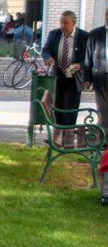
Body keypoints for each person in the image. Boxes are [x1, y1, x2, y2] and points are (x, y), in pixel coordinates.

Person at [42, 11, 89, 147]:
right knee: (58, 107)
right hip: (58, 75)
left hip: (74, 77)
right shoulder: (54, 34)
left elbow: (88, 56)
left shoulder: (84, 36)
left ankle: (68, 141)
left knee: (70, 109)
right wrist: (48, 58)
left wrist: (79, 65)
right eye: (61, 22)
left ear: (74, 23)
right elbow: (46, 49)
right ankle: (57, 139)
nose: (62, 25)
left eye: (66, 23)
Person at [82, 6, 108, 134]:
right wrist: (87, 79)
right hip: (100, 77)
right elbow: (88, 57)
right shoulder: (95, 34)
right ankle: (103, 138)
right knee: (103, 109)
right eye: (107, 14)